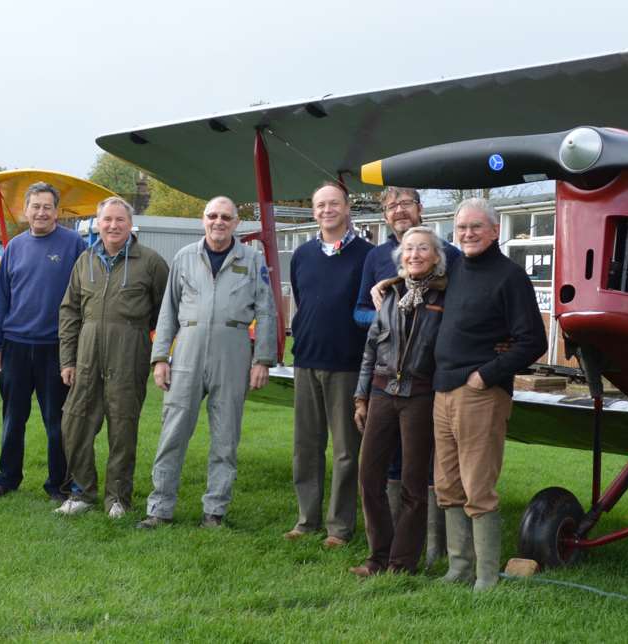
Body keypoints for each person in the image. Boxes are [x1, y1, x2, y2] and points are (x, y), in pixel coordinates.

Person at [137, 196, 277, 529]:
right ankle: (159, 508)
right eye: (212, 216)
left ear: (236, 223)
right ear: (203, 220)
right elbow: (168, 310)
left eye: (226, 217)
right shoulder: (184, 257)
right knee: (173, 432)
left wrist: (263, 360)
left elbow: (267, 311)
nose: (219, 222)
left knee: (226, 437)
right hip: (187, 350)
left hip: (233, 351)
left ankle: (215, 511)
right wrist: (160, 358)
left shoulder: (252, 259)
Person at [433, 198, 547, 591]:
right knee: (447, 484)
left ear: (495, 231)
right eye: (461, 227)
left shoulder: (510, 277)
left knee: (477, 486)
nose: (467, 234)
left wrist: (487, 375)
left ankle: (485, 576)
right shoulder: (455, 269)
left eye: (476, 227)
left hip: (479, 393)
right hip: (443, 389)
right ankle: (458, 567)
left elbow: (533, 340)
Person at [353, 187, 461, 567]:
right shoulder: (391, 295)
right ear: (401, 258)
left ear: (436, 257)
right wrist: (361, 397)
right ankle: (377, 554)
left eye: (422, 249)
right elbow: (370, 350)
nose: (414, 254)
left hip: (420, 397)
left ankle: (402, 561)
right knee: (370, 479)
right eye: (409, 250)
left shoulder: (448, 299)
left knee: (415, 484)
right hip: (382, 393)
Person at [56, 196, 169, 517]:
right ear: (97, 224)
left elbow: (166, 313)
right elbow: (69, 312)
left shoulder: (151, 262)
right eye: (107, 220)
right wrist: (68, 360)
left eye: (120, 220)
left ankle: (118, 498)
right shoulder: (84, 261)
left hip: (128, 356)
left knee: (122, 428)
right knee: (74, 424)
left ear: (131, 225)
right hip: (87, 356)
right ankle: (82, 492)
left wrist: (157, 354)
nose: (113, 225)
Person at [0, 182, 87, 502]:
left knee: (56, 422)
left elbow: (86, 296)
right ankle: (6, 479)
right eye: (35, 206)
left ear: (57, 211)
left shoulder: (74, 245)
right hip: (14, 345)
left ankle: (59, 484)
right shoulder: (14, 247)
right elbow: (1, 300)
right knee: (13, 419)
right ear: (25, 211)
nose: (41, 212)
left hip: (55, 347)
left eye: (47, 207)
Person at [285, 181, 373, 547]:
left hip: (346, 364)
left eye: (333, 203)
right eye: (320, 204)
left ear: (347, 207)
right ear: (313, 210)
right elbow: (302, 302)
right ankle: (306, 520)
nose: (326, 210)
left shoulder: (366, 255)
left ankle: (339, 526)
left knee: (345, 452)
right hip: (307, 361)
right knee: (306, 447)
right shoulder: (302, 255)